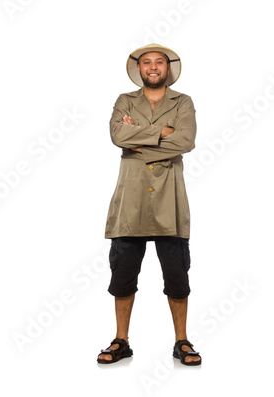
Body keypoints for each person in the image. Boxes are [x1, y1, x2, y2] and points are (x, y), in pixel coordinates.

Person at [97, 44, 201, 366]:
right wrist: (162, 135)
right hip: (131, 200)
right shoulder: (124, 101)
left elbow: (186, 141)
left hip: (170, 202)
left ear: (168, 68)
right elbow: (117, 134)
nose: (153, 67)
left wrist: (139, 142)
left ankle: (181, 341)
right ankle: (121, 340)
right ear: (138, 68)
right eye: (146, 62)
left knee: (177, 276)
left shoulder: (183, 102)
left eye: (159, 62)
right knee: (123, 275)